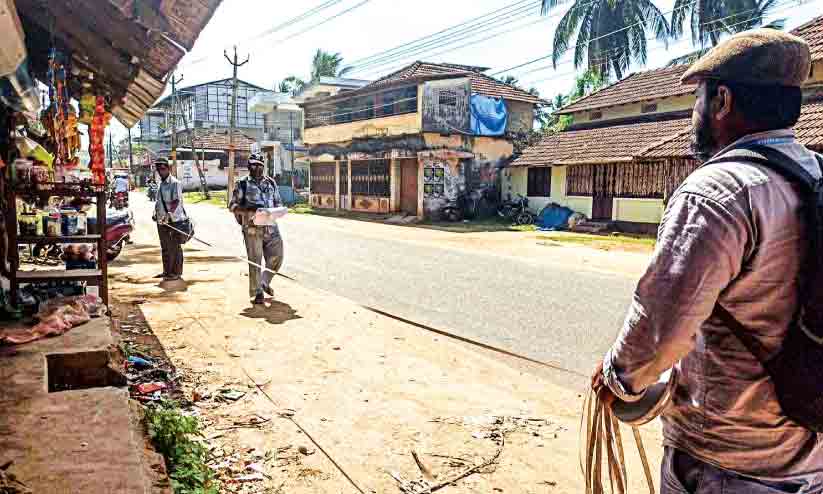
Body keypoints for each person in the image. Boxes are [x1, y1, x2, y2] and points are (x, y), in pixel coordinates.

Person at [593, 30, 823, 493]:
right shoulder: (815, 174)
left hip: (727, 462)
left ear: (722, 101)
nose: (693, 114)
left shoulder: (717, 191)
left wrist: (618, 381)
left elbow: (661, 328)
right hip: (809, 459)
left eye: (697, 99)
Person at [229, 153, 284, 305]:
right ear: (249, 166)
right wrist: (249, 210)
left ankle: (264, 281)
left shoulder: (271, 183)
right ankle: (257, 292)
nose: (257, 168)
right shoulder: (242, 184)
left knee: (277, 256)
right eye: (253, 165)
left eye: (260, 165)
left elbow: (278, 202)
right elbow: (232, 206)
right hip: (252, 228)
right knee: (255, 261)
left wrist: (278, 210)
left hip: (271, 226)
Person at [153, 157, 186, 281]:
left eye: (163, 168)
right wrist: (155, 213)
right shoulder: (160, 184)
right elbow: (158, 201)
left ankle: (176, 272)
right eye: (158, 169)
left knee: (175, 247)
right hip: (161, 221)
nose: (160, 171)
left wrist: (168, 214)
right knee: (165, 247)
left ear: (168, 169)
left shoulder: (175, 183)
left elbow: (176, 201)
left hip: (173, 221)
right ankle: (167, 271)